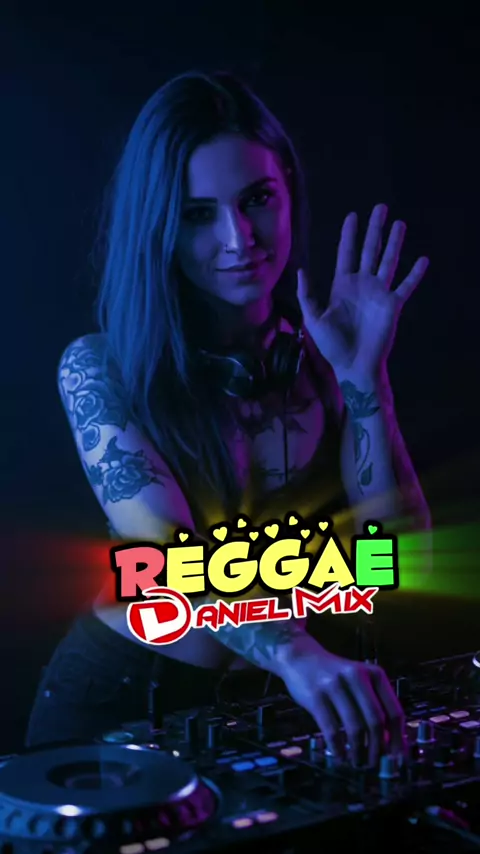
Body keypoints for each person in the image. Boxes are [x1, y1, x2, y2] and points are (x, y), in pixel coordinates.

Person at [26, 70, 431, 766]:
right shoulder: (99, 369)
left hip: (281, 704)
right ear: (159, 225)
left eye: (257, 200)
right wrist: (298, 654)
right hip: (127, 702)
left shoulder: (322, 353)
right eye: (197, 214)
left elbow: (397, 558)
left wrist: (365, 381)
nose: (239, 237)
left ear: (288, 193)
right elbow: (168, 557)